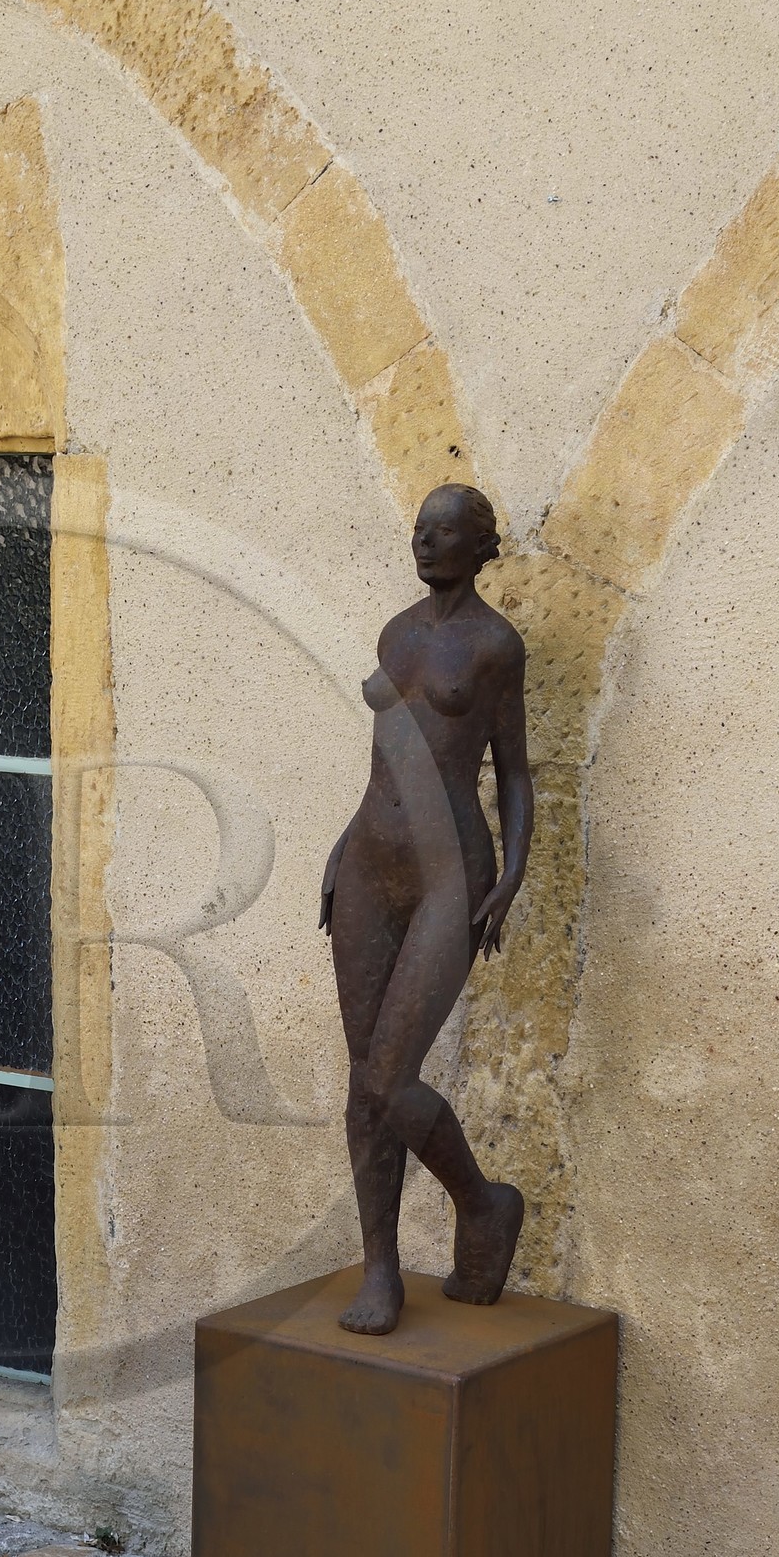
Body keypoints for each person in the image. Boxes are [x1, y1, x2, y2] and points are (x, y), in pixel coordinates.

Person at [319, 483, 533, 1336]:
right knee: (362, 1082)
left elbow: (514, 771)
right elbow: (386, 753)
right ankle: (382, 1271)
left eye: (444, 532)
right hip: (370, 862)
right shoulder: (397, 632)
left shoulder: (495, 646)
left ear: (479, 547)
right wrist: (342, 844)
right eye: (419, 529)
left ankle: (482, 1205)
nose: (425, 542)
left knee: (390, 1077)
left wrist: (514, 870)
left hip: (452, 869)